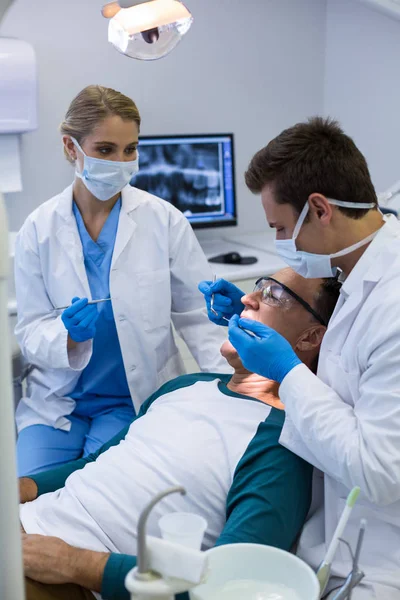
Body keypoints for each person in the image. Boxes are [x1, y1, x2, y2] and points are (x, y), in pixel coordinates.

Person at [19, 268, 340, 600]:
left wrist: (77, 564)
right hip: (24, 526)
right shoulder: (187, 385)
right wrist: (23, 487)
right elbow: (96, 462)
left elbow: (232, 583)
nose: (247, 298)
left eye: (274, 295)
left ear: (310, 338)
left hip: (68, 580)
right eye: (261, 286)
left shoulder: (277, 447)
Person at [199, 117, 400, 599]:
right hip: (328, 529)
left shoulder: (393, 304)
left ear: (319, 209)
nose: (281, 244)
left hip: (380, 555)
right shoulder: (356, 270)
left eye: (282, 228)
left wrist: (287, 371)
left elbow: (380, 472)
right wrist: (259, 303)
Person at [14, 85, 228, 478]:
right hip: (57, 401)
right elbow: (28, 330)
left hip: (131, 398)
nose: (121, 161)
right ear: (70, 148)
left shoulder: (164, 221)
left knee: (97, 491)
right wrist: (66, 337)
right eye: (106, 149)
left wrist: (233, 392)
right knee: (25, 497)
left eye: (130, 149)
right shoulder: (38, 230)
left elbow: (199, 318)